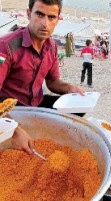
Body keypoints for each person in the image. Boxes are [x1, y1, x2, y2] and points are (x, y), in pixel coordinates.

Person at [0, 0, 84, 154]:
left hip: (37, 104)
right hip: (10, 110)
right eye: (39, 14)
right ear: (28, 14)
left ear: (58, 19)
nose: (45, 23)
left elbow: (52, 82)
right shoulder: (6, 46)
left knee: (78, 111)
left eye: (51, 17)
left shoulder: (51, 46)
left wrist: (69, 88)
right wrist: (14, 129)